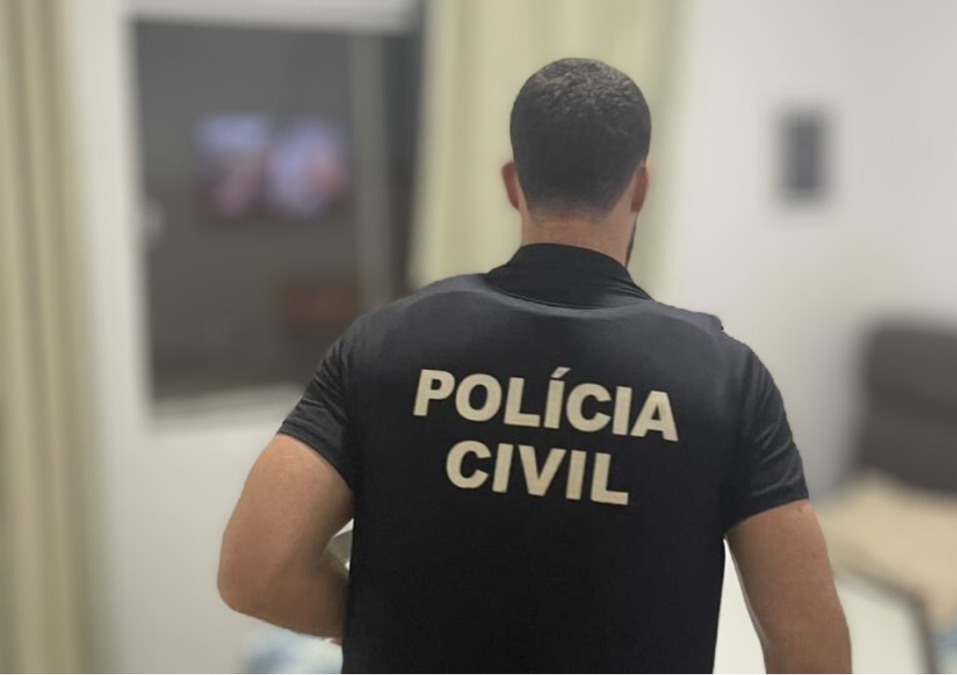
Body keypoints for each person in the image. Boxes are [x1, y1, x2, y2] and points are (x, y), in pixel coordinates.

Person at [219, 58, 850, 673]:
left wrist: (373, 624)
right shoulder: (724, 380)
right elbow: (815, 658)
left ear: (511, 181)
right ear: (640, 187)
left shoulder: (383, 345)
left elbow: (255, 571)